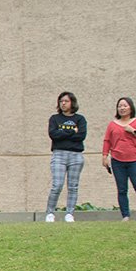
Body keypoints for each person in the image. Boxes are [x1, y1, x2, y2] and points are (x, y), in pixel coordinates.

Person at [102, 96, 136, 221]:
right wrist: (105, 156)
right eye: (120, 106)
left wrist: (134, 131)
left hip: (135, 160)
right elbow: (107, 141)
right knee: (122, 189)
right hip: (117, 160)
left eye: (125, 106)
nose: (122, 108)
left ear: (131, 108)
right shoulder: (112, 124)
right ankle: (125, 215)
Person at [45, 92, 87, 223]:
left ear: (72, 103)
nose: (63, 103)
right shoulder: (55, 119)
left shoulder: (80, 119)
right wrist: (71, 131)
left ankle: (69, 213)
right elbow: (53, 135)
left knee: (73, 186)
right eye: (61, 101)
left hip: (76, 155)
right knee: (57, 185)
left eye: (66, 101)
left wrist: (63, 133)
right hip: (59, 154)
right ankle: (50, 213)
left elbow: (81, 136)